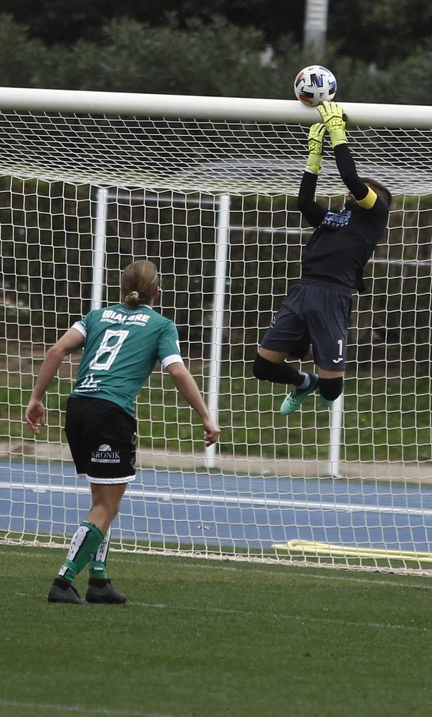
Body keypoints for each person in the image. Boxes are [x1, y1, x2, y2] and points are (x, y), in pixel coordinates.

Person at [25, 260, 219, 605]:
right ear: (157, 292)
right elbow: (176, 371)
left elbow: (56, 350)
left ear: (120, 287)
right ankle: (64, 580)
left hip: (79, 407)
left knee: (104, 500)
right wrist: (205, 415)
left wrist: (37, 398)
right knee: (106, 504)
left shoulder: (97, 317)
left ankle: (98, 581)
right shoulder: (161, 326)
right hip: (110, 412)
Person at [249, 101, 391, 414]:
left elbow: (351, 177)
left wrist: (338, 134)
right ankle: (303, 380)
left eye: (363, 190)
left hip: (334, 297)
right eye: (355, 191)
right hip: (303, 291)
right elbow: (304, 202)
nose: (354, 192)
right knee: (262, 368)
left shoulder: (375, 214)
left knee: (331, 392)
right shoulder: (334, 218)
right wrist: (314, 155)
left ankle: (313, 348)